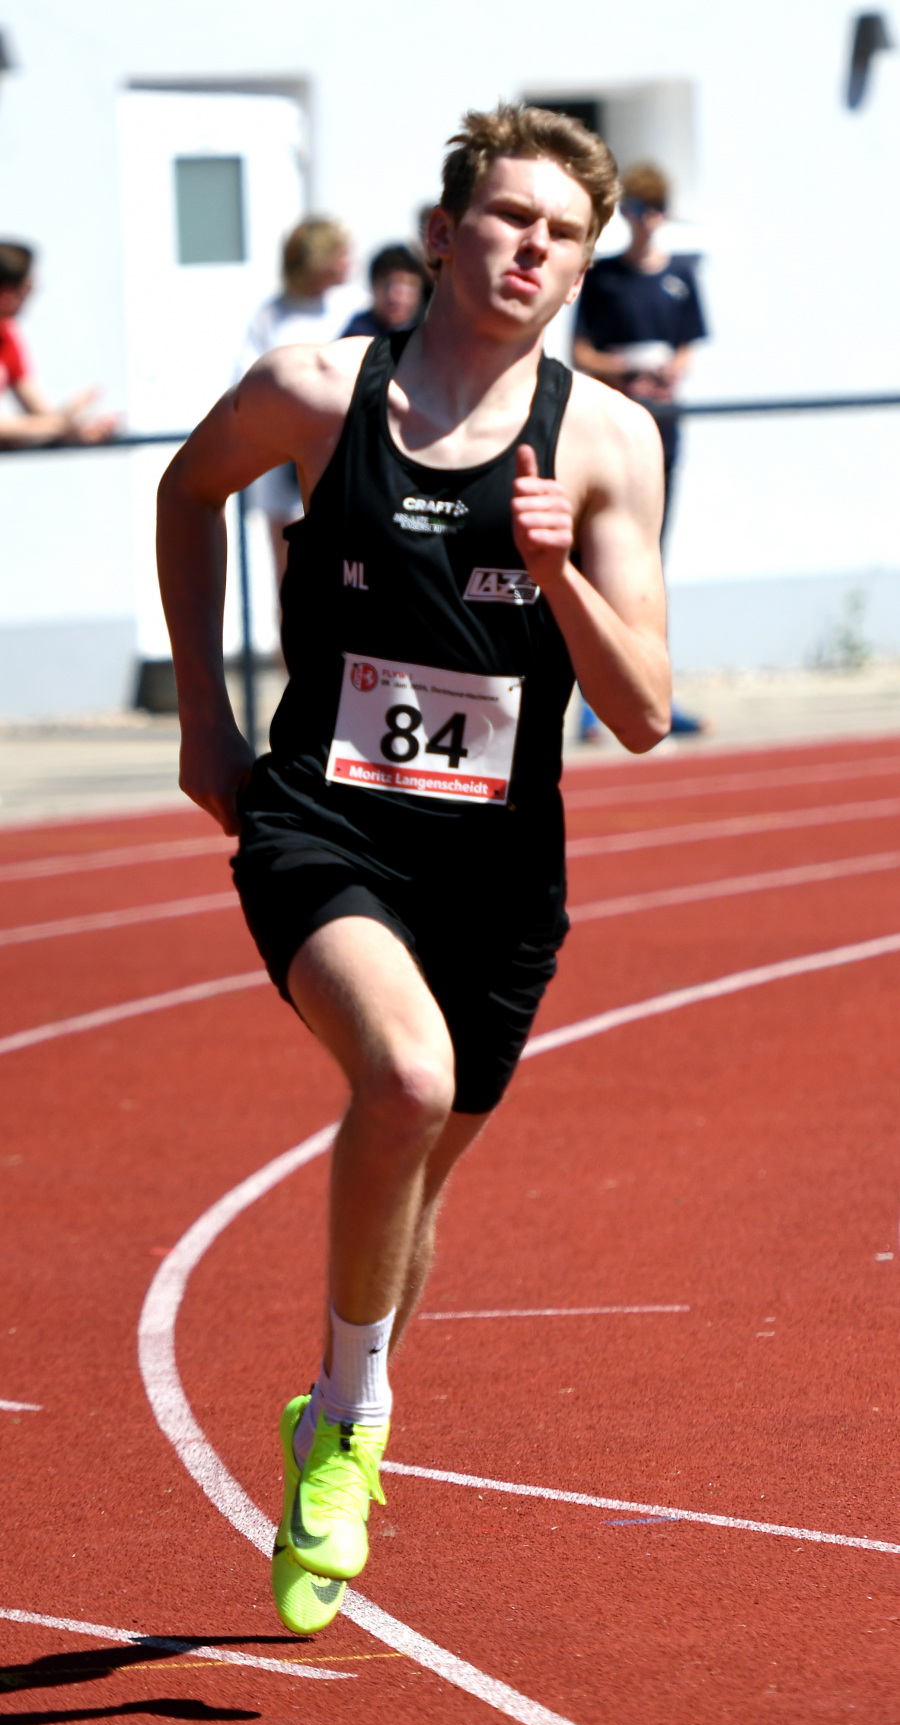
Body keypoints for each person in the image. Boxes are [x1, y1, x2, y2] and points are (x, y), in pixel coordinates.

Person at [157, 102, 671, 1636]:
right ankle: (360, 1429)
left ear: (585, 264)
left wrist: (563, 563)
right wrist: (206, 716)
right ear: (445, 234)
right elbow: (188, 494)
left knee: (417, 1172)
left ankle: (334, 1402)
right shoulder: (319, 391)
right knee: (401, 1082)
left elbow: (642, 710)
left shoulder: (608, 440)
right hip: (326, 818)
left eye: (564, 234)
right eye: (509, 218)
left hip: (504, 872)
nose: (534, 250)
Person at [572, 161, 707, 737]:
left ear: (664, 214)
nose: (643, 221)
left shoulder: (680, 277)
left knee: (652, 562)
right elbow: (582, 352)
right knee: (597, 560)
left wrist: (666, 374)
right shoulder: (603, 278)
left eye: (651, 210)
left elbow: (687, 348)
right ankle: (586, 703)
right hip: (612, 434)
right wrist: (628, 367)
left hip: (663, 432)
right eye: (633, 210)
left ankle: (653, 691)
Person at [237, 218, 366, 580]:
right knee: (292, 575)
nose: (349, 262)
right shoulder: (270, 317)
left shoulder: (354, 307)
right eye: (340, 254)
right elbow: (247, 385)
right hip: (284, 462)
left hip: (344, 459)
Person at [0, 242, 116, 447]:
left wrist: (78, 430)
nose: (32, 294)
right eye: (27, 287)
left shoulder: (7, 336)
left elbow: (43, 415)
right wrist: (62, 423)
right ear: (7, 293)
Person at [340, 244, 428, 339]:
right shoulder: (357, 335)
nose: (398, 298)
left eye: (409, 287)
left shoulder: (423, 336)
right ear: (373, 286)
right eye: (388, 285)